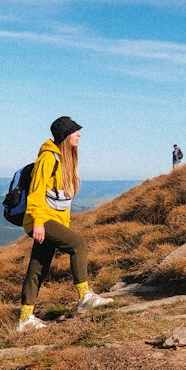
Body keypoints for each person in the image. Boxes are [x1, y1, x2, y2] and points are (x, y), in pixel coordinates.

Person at [18, 115, 113, 332]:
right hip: (40, 220)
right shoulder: (48, 158)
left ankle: (25, 319)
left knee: (38, 266)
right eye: (74, 131)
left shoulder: (63, 159)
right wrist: (39, 223)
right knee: (78, 244)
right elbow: (36, 191)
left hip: (50, 221)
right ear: (64, 136)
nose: (79, 134)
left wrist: (62, 226)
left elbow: (61, 201)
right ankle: (84, 297)